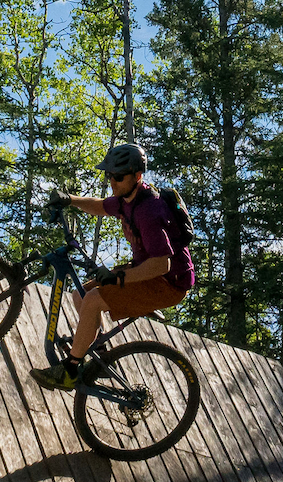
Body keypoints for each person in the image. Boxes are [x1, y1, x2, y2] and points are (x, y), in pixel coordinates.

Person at [31, 142, 195, 391]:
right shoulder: (126, 199)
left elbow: (162, 264)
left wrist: (118, 278)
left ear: (138, 177)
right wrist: (69, 200)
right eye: (109, 176)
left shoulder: (148, 211)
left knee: (94, 299)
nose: (112, 182)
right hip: (148, 270)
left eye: (118, 177)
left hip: (168, 284)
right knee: (81, 295)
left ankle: (70, 370)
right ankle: (102, 357)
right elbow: (99, 205)